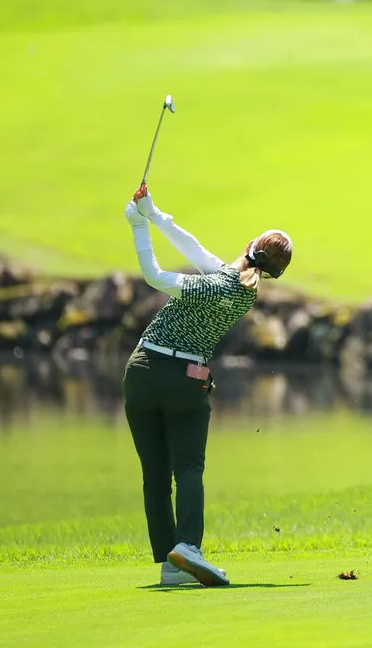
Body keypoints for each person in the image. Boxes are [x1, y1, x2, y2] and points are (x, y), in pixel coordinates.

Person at [122, 183, 292, 587]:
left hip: (141, 372)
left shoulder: (215, 283)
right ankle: (187, 548)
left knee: (155, 475)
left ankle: (170, 562)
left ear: (250, 245)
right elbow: (196, 251)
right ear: (274, 272)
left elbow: (154, 276)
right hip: (184, 383)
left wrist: (138, 227)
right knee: (188, 468)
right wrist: (153, 214)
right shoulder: (242, 292)